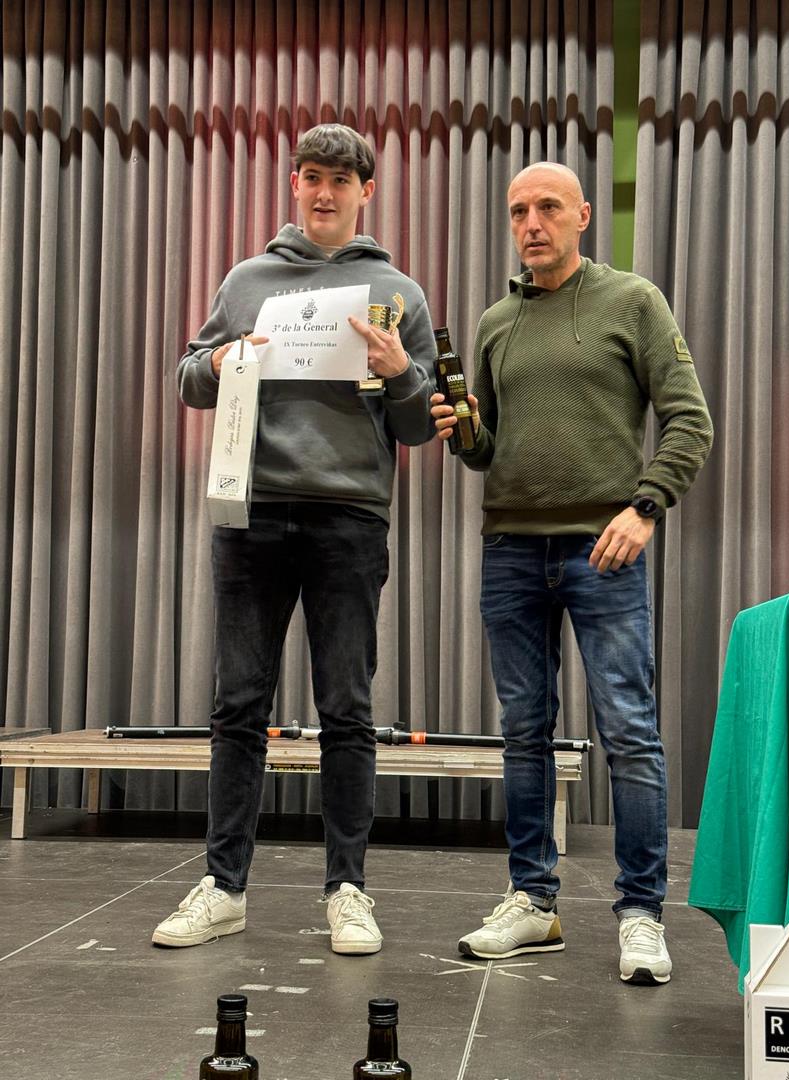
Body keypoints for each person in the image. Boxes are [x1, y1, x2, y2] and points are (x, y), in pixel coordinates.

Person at [153, 124, 436, 955]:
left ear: (366, 192)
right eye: (312, 176)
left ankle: (348, 889)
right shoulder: (247, 280)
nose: (324, 193)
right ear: (294, 183)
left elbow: (420, 425)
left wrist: (400, 372)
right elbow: (189, 377)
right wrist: (222, 361)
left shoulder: (398, 293)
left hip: (350, 519)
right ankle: (224, 887)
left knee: (346, 709)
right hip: (251, 514)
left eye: (340, 181)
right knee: (238, 705)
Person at [431, 161, 713, 984]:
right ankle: (532, 901)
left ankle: (641, 914)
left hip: (603, 548)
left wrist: (644, 507)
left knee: (629, 731)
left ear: (583, 216)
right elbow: (486, 449)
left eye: (548, 207)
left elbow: (690, 420)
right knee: (524, 733)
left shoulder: (633, 301)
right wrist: (464, 431)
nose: (532, 223)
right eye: (519, 210)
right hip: (510, 551)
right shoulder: (495, 322)